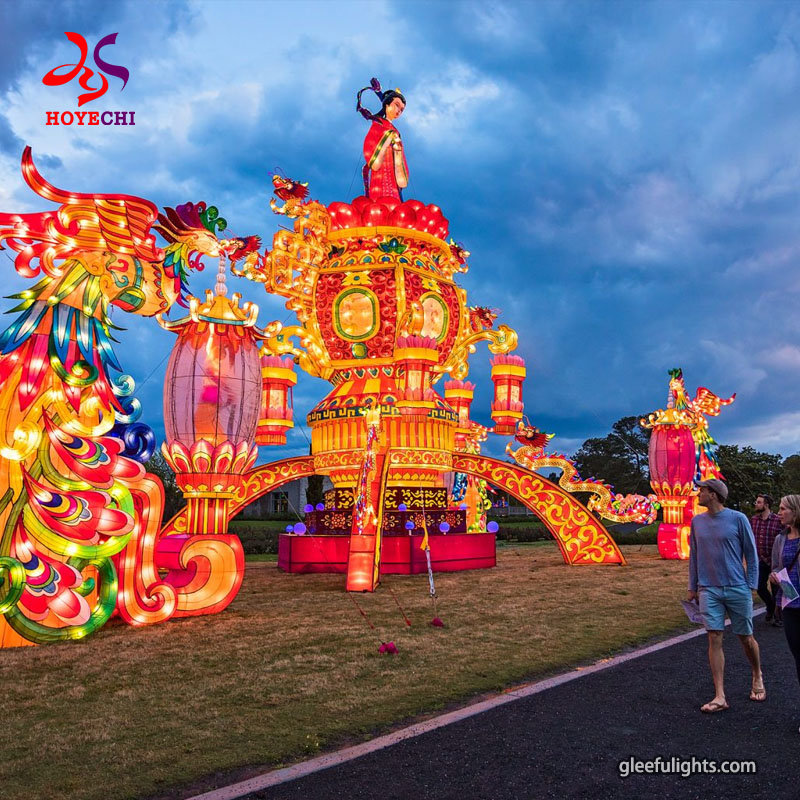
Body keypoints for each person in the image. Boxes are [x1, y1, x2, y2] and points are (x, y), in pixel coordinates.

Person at [687, 478, 764, 712]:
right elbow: (694, 556)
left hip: (736, 587)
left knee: (745, 637)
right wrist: (693, 587)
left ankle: (757, 673)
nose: (698, 493)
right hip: (708, 588)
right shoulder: (697, 522)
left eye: (702, 490)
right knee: (714, 637)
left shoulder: (738, 519)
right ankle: (719, 695)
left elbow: (751, 554)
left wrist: (751, 584)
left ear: (714, 494)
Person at [770, 495, 800, 727]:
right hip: (790, 605)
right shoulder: (780, 539)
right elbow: (776, 567)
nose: (779, 513)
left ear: (795, 511)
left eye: (783, 509)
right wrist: (775, 576)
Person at [361, 88, 409, 201]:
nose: (399, 111)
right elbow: (374, 162)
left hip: (394, 186)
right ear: (387, 105)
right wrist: (388, 137)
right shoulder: (378, 125)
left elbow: (402, 181)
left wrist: (397, 152)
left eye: (402, 110)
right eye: (397, 105)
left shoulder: (397, 133)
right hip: (379, 181)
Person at [751, 493, 784, 625]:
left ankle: (778, 617)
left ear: (766, 505)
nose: (756, 504)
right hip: (760, 560)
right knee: (759, 587)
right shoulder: (753, 520)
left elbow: (785, 537)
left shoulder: (777, 520)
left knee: (777, 590)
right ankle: (770, 606)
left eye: (759, 502)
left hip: (775, 561)